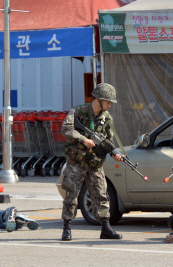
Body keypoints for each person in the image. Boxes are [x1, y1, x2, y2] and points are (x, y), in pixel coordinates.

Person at [60, 83, 124, 241]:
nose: (110, 105)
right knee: (71, 195)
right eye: (108, 101)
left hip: (95, 164)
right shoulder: (78, 111)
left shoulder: (107, 118)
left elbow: (108, 140)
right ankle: (67, 228)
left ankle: (106, 228)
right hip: (77, 162)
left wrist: (113, 152)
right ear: (99, 99)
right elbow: (66, 128)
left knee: (101, 195)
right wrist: (84, 140)